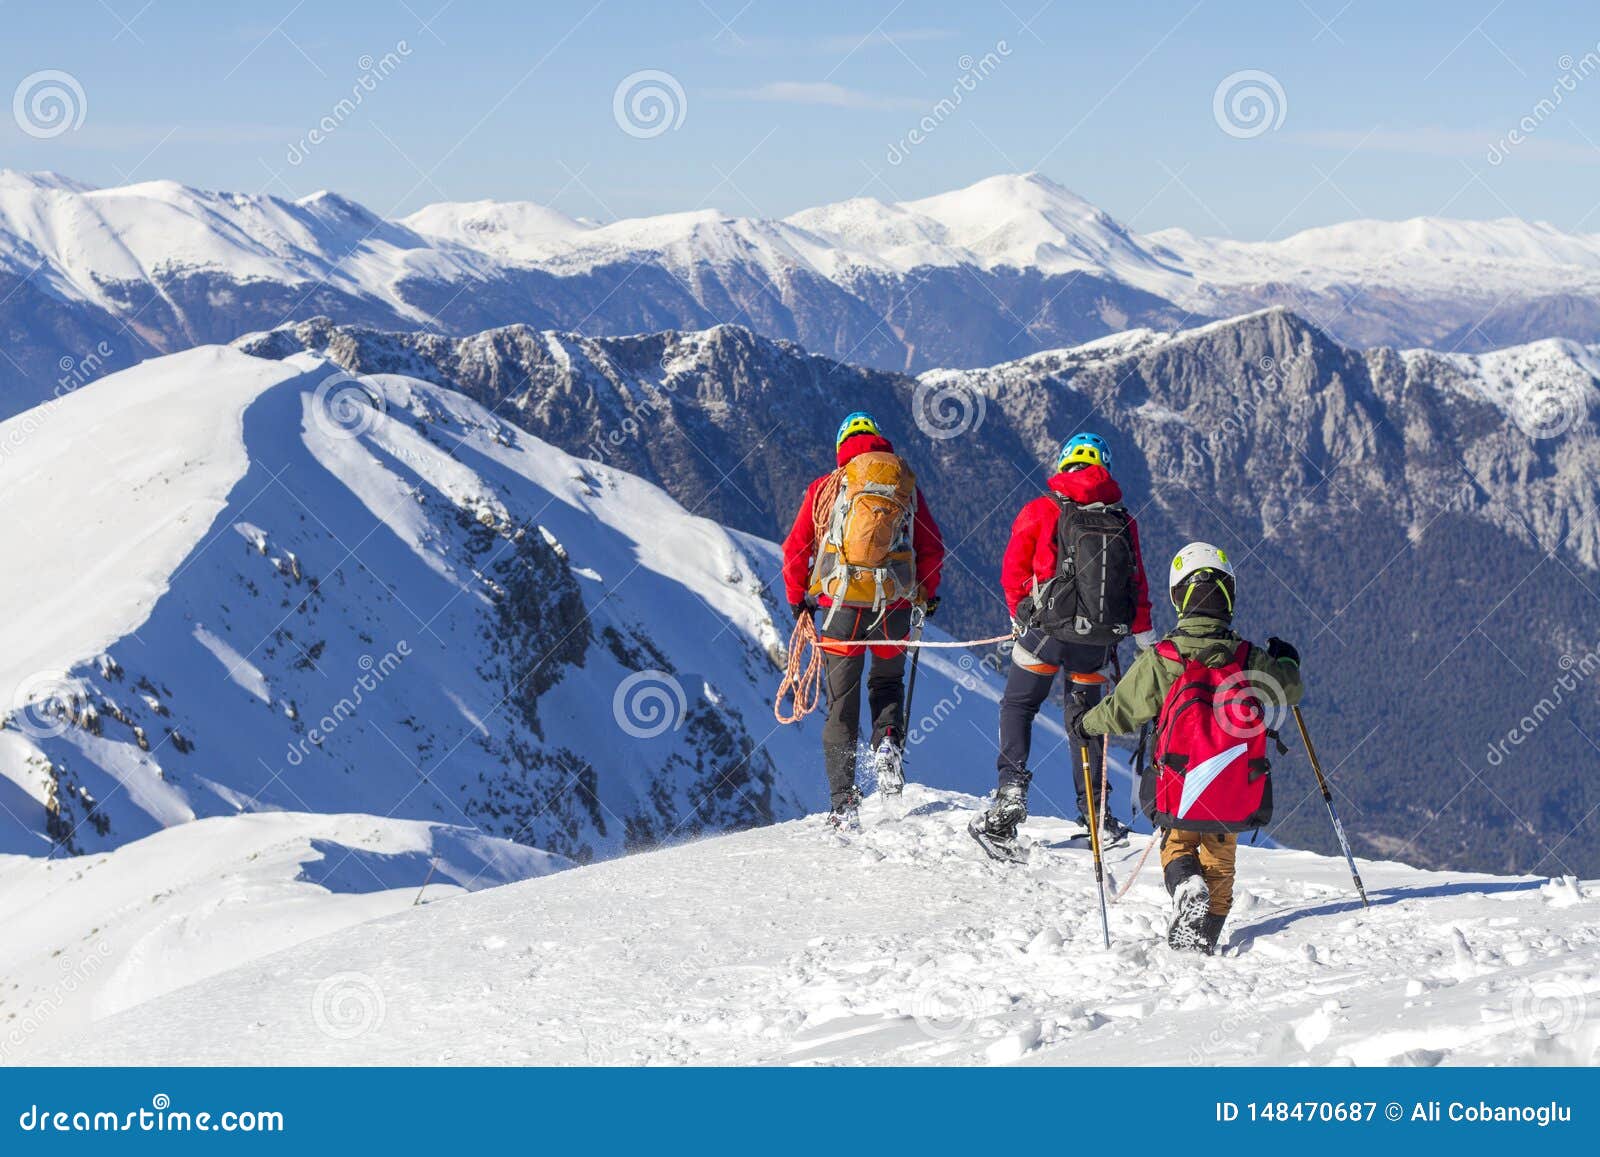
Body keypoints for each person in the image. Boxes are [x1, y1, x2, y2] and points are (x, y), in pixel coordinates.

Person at [1073, 542, 1304, 955]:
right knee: (1221, 856)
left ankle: (1184, 885)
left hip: (1180, 781)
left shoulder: (1163, 658)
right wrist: (1286, 661)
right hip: (1234, 784)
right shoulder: (1247, 656)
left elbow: (1122, 711)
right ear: (1229, 596)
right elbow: (1291, 690)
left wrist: (1083, 721)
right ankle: (1205, 936)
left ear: (1179, 597)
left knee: (1178, 844)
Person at [969, 432, 1155, 860]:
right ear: (1105, 467)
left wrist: (1020, 616)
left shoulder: (1041, 509)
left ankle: (1011, 793)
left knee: (1019, 706)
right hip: (1097, 642)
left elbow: (1013, 570)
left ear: (1064, 463)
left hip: (1046, 636)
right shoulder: (1123, 519)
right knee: (1085, 721)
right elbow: (1137, 583)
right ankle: (1095, 812)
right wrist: (1145, 636)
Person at [782, 411, 945, 830]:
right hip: (893, 606)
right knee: (887, 683)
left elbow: (796, 549)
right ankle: (887, 745)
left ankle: (843, 801)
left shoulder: (827, 487)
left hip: (841, 608)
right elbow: (931, 545)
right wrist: (925, 593)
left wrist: (799, 600)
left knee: (842, 702)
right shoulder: (903, 486)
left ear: (842, 449)